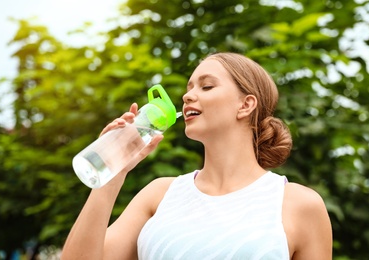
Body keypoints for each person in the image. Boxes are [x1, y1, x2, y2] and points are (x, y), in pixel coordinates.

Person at [61, 52, 332, 259]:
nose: (188, 96)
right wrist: (111, 173)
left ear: (245, 104)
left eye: (206, 86)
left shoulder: (298, 205)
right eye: (189, 87)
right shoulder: (160, 195)